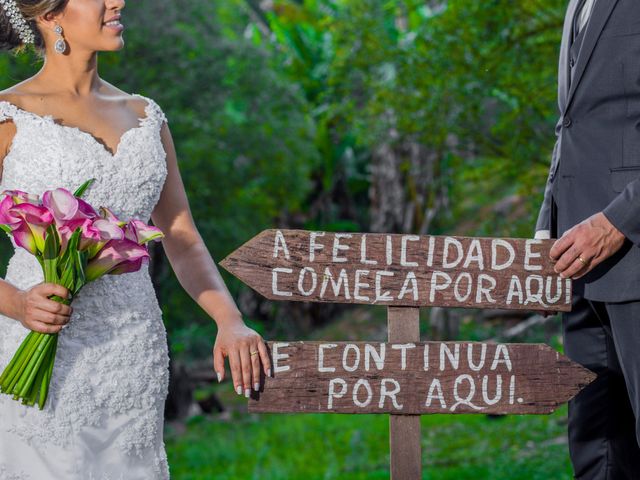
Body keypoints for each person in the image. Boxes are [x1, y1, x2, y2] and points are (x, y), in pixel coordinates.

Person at [0, 0, 272, 478]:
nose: (117, 1)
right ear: (49, 14)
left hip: (133, 356)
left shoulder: (146, 116)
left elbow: (182, 235)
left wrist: (230, 321)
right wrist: (18, 303)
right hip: (42, 357)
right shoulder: (8, 117)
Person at [536, 0, 640, 477]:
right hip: (577, 271)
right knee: (597, 450)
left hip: (632, 252)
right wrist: (546, 227)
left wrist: (619, 221)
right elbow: (570, 126)